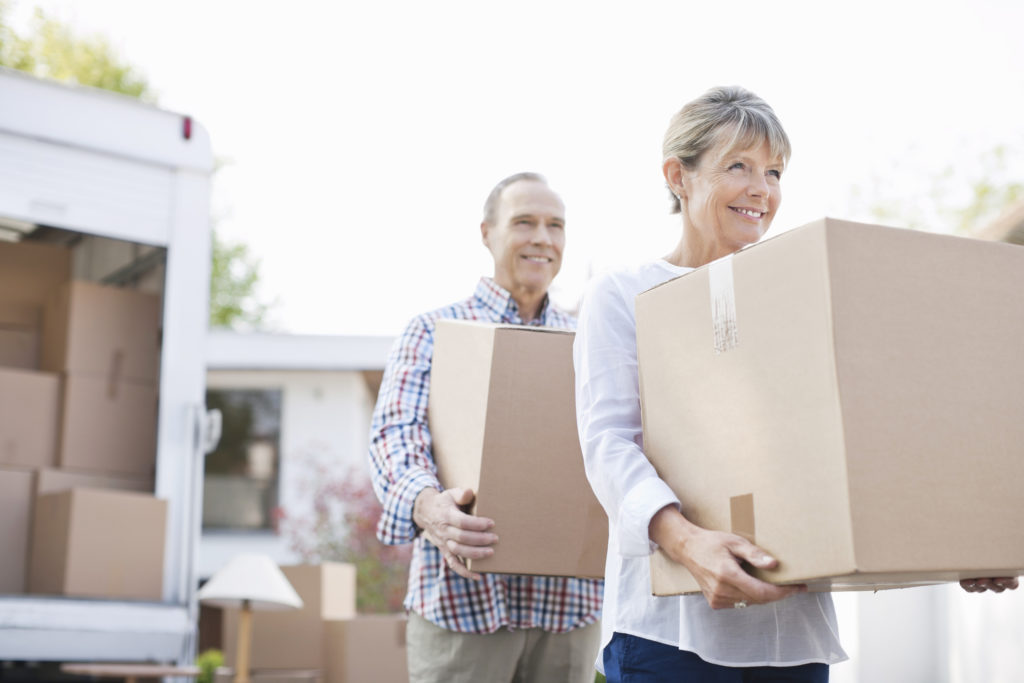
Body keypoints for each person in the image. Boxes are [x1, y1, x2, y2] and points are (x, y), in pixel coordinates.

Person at [573, 85, 1019, 683]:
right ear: (678, 175)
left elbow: (862, 438)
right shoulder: (624, 292)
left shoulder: (795, 293)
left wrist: (955, 539)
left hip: (793, 634)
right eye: (739, 166)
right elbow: (609, 445)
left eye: (775, 171)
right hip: (672, 632)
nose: (763, 189)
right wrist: (685, 544)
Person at [369, 172, 603, 683]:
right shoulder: (433, 332)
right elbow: (395, 436)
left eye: (555, 226)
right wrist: (430, 508)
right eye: (525, 222)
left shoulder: (589, 344)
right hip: (461, 609)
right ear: (486, 232)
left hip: (568, 614)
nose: (543, 237)